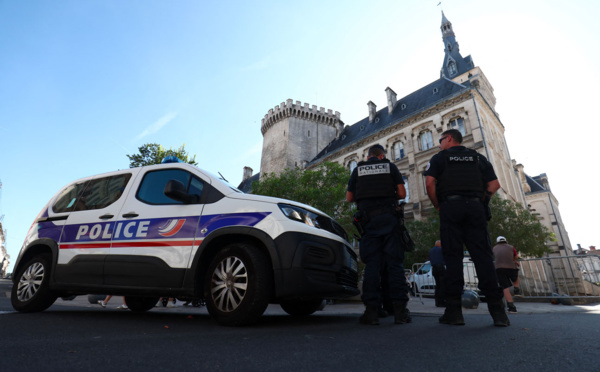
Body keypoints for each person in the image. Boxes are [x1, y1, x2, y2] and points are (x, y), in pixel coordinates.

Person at [425, 129, 510, 327]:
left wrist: (438, 205)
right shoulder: (477, 158)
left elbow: (429, 184)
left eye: (440, 140)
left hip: (450, 207)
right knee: (483, 258)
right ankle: (498, 314)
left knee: (453, 259)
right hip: (475, 208)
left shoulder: (440, 158)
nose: (439, 145)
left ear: (448, 139)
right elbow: (495, 184)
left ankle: (454, 313)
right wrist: (482, 200)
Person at [346, 144, 411, 325]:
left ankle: (371, 312)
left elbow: (349, 198)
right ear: (382, 156)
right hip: (389, 220)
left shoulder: (358, 170)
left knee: (373, 266)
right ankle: (400, 312)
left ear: (368, 157)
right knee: (395, 265)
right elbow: (402, 193)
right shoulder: (390, 167)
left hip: (369, 223)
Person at [493, 236, 521, 313]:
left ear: (497, 242)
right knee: (516, 277)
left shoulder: (494, 248)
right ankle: (516, 290)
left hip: (499, 269)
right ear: (505, 241)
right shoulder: (511, 247)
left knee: (505, 288)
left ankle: (511, 307)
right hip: (511, 267)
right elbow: (516, 256)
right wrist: (515, 260)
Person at [429, 240, 446, 307]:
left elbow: (430, 259)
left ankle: (437, 302)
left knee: (438, 285)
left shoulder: (431, 250)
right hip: (441, 268)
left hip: (434, 268)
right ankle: (442, 301)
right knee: (442, 285)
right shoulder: (441, 250)